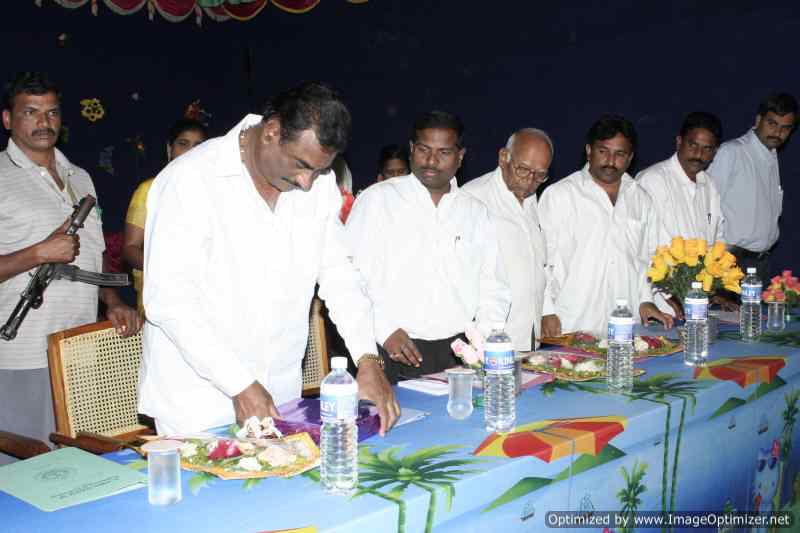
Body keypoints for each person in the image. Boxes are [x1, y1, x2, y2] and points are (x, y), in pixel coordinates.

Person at [139, 82, 398, 436]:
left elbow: (340, 276)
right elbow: (169, 300)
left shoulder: (318, 184)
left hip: (280, 396)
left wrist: (367, 358)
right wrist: (239, 383)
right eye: (302, 166)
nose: (307, 182)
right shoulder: (190, 180)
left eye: (319, 171)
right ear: (271, 131)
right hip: (198, 402)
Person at [0, 72, 140, 463]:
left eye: (51, 112)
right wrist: (38, 253)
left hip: (81, 349)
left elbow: (92, 255)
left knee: (80, 466)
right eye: (30, 112)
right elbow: (48, 253)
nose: (43, 122)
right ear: (8, 119)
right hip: (22, 353)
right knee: (25, 471)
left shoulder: (80, 177)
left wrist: (112, 301)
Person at [346, 110, 512, 382]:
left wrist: (481, 341)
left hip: (459, 354)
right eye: (424, 149)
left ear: (460, 156)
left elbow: (494, 286)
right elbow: (350, 278)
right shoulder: (378, 201)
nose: (432, 161)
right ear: (412, 149)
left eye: (444, 152)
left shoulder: (475, 212)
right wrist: (383, 330)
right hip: (391, 349)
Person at [539, 114, 673, 337]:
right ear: (589, 151)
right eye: (603, 151)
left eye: (620, 154)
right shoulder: (560, 195)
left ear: (630, 158)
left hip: (626, 325)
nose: (611, 161)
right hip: (571, 323)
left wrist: (646, 300)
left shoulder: (641, 198)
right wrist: (546, 311)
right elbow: (542, 260)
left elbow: (648, 258)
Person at [462, 128, 552, 351]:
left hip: (529, 335)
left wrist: (547, 311)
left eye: (540, 175)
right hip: (490, 340)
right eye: (523, 169)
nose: (530, 181)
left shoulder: (531, 200)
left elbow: (538, 264)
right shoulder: (472, 199)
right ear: (504, 157)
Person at [637, 112, 734, 317]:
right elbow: (643, 248)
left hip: (698, 302)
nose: (698, 154)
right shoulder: (652, 180)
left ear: (715, 151)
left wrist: (715, 290)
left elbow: (716, 241)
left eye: (707, 148)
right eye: (693, 145)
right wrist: (667, 294)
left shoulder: (709, 185)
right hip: (660, 304)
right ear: (679, 141)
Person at [708, 93, 797, 281]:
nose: (778, 132)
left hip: (760, 263)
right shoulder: (731, 152)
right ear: (758, 120)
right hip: (729, 261)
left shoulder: (771, 155)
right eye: (772, 123)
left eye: (785, 128)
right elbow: (705, 209)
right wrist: (715, 261)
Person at [122, 118, 208, 314]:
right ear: (169, 149)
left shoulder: (216, 193)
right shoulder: (150, 190)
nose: (191, 151)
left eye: (198, 146)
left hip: (205, 300)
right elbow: (130, 249)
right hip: (160, 298)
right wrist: (168, 271)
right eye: (183, 144)